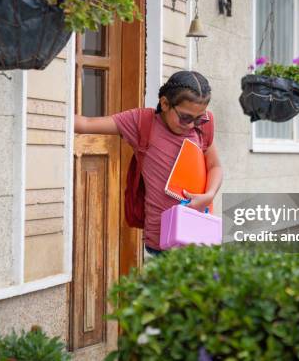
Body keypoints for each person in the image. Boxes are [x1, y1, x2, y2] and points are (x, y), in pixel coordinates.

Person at [74, 70, 223, 257]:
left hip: (199, 235)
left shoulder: (203, 126)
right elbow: (86, 124)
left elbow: (214, 166)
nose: (192, 124)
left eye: (198, 118)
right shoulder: (142, 123)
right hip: (164, 241)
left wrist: (209, 195)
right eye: (185, 117)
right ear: (165, 103)